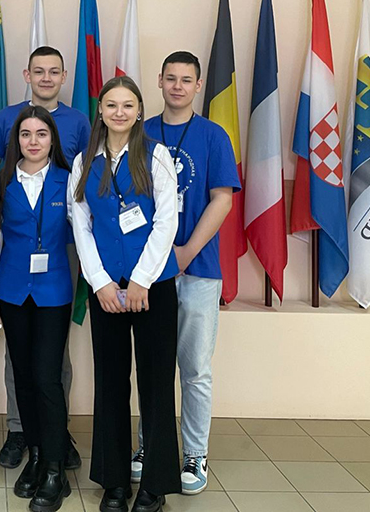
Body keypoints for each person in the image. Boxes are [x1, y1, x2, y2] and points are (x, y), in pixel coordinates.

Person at [69, 76, 180, 512]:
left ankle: (155, 484)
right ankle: (114, 481)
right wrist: (99, 282)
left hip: (152, 288)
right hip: (106, 291)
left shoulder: (156, 155)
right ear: (100, 110)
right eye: (111, 104)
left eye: (128, 105)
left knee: (156, 385)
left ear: (138, 112)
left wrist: (141, 280)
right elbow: (81, 225)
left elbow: (166, 221)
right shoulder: (84, 161)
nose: (119, 112)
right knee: (111, 383)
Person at [130, 52, 238, 495]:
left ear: (197, 85)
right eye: (170, 78)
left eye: (186, 80)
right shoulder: (139, 133)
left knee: (194, 368)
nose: (177, 86)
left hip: (199, 269)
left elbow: (222, 199)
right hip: (149, 272)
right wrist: (154, 260)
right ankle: (150, 446)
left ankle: (195, 453)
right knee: (152, 367)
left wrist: (187, 252)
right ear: (159, 81)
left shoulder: (213, 135)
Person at [0, 45, 89, 470]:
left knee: (54, 360)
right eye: (39, 71)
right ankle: (20, 431)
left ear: (63, 76)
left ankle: (56, 433)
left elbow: (86, 197)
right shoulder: (4, 121)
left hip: (60, 256)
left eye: (54, 71)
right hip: (14, 264)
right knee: (19, 359)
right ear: (27, 74)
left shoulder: (79, 122)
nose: (46, 78)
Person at [0, 106, 75, 512]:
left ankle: (55, 469)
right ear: (15, 140)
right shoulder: (2, 180)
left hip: (53, 291)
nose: (33, 141)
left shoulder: (68, 180)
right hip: (12, 291)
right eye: (25, 134)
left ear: (52, 139)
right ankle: (36, 456)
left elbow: (84, 233)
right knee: (22, 377)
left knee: (47, 378)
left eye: (41, 134)